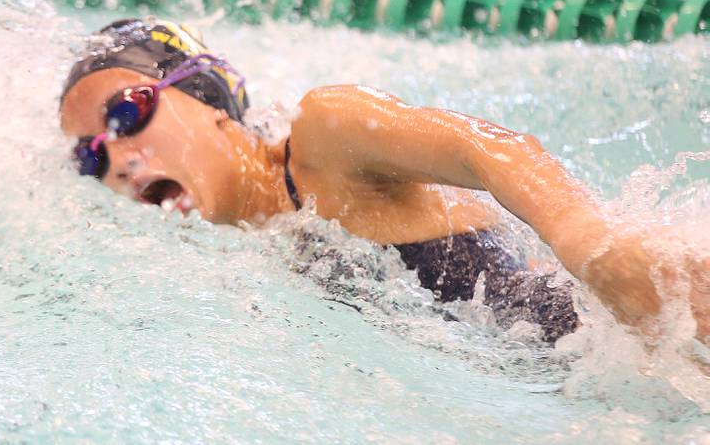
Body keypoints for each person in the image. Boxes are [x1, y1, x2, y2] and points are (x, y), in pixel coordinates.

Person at [60, 18, 709, 344]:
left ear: (210, 107)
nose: (118, 158)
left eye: (126, 113)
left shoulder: (324, 142)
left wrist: (594, 248)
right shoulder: (247, 253)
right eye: (90, 157)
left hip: (636, 315)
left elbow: (489, 148)